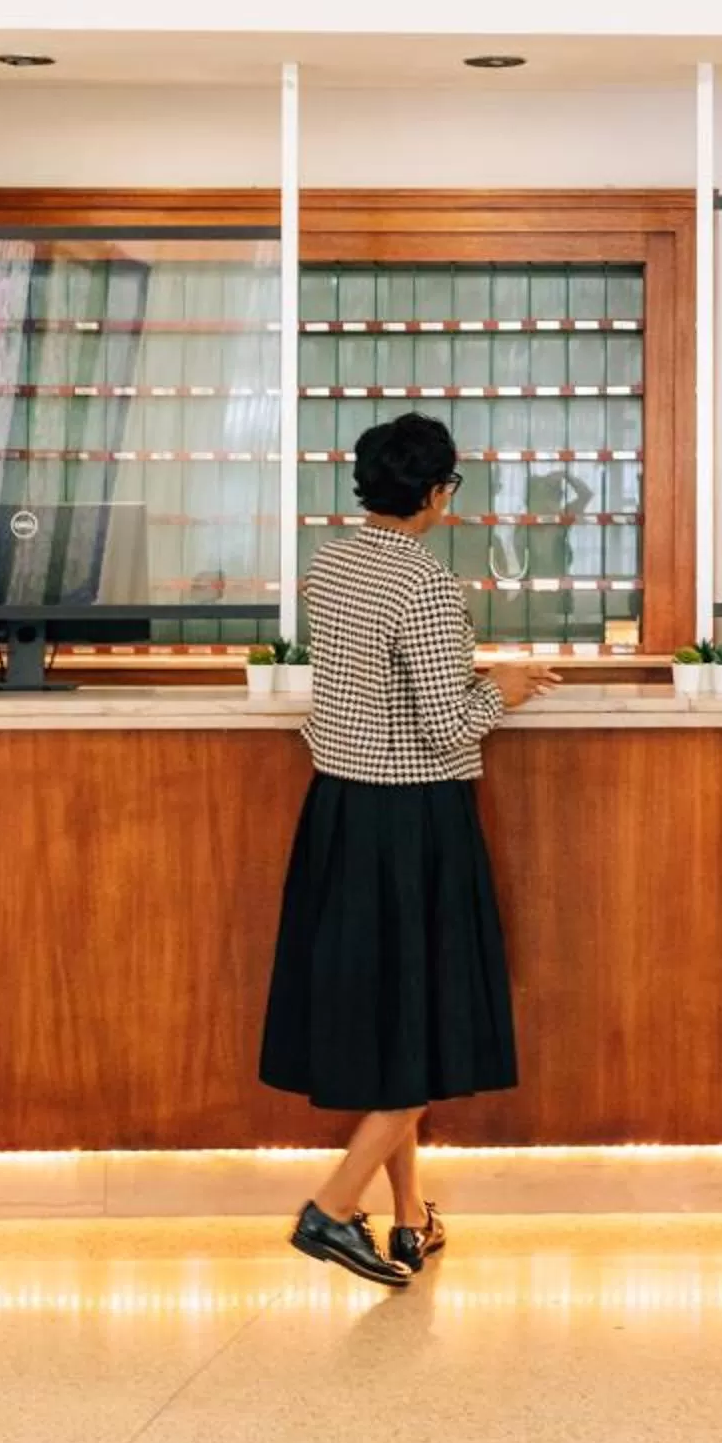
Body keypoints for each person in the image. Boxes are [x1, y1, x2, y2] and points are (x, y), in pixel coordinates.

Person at [260, 411, 556, 1287]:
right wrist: (502, 689)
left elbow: (377, 686)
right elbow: (447, 727)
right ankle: (329, 1210)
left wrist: (471, 681)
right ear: (436, 493)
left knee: (392, 1025)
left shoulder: (332, 565)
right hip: (413, 820)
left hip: (341, 811)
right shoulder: (425, 582)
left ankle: (409, 1217)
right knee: (425, 1027)